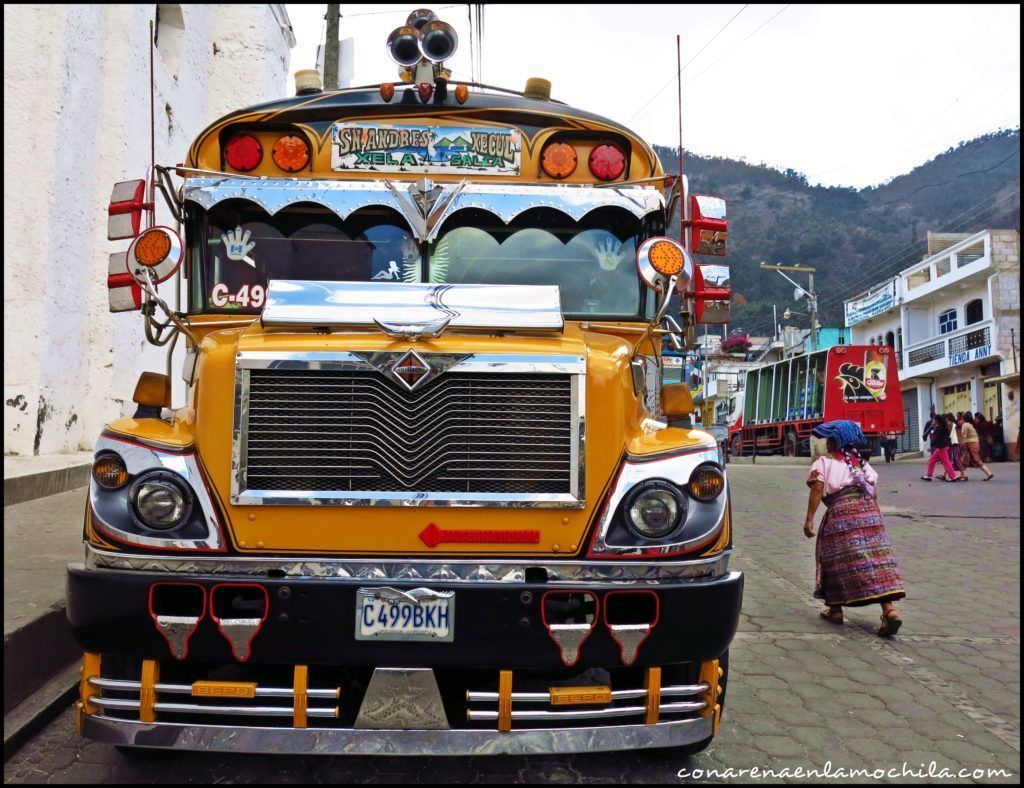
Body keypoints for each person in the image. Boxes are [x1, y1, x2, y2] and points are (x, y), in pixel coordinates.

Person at [804, 420, 905, 637]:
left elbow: (817, 490)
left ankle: (835, 609)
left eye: (828, 440)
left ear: (833, 442)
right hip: (870, 515)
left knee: (834, 559)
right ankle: (889, 610)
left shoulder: (824, 462)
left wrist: (809, 519)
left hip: (842, 515)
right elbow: (873, 492)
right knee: (876, 560)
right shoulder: (861, 463)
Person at [921, 414, 959, 482]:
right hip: (941, 447)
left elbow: (936, 438)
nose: (933, 421)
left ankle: (953, 477)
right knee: (932, 460)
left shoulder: (940, 427)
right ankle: (929, 476)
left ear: (936, 420)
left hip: (942, 447)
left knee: (946, 461)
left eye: (934, 419)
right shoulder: (940, 426)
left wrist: (931, 446)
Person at [959, 413, 994, 481]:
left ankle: (989, 473)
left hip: (970, 443)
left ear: (964, 419)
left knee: (976, 460)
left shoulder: (965, 425)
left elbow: (964, 435)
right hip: (975, 443)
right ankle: (961, 475)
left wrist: (961, 444)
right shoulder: (971, 425)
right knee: (964, 460)